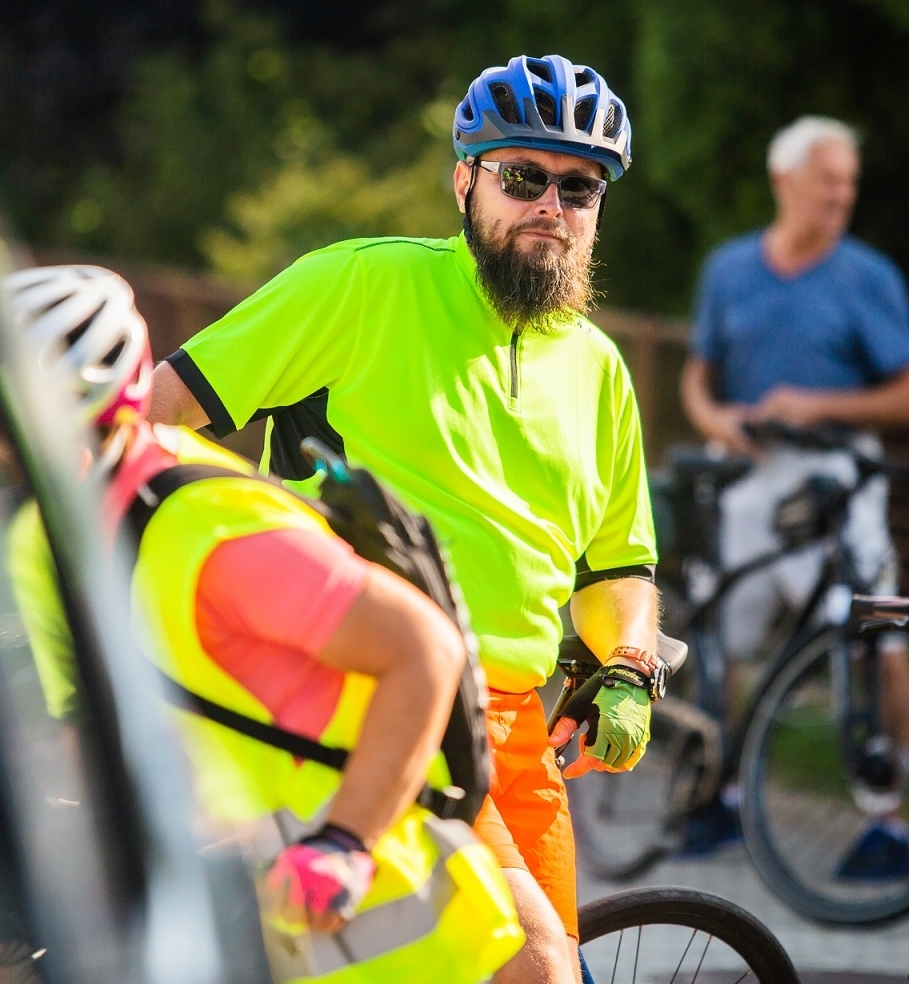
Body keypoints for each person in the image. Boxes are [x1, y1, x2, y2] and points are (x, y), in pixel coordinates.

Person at [145, 54, 661, 984]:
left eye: (579, 188)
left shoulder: (601, 371)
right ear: (465, 180)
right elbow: (157, 415)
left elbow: (616, 569)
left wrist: (628, 664)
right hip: (372, 692)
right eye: (522, 177)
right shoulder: (360, 284)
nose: (551, 204)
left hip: (515, 729)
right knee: (533, 966)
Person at [2, 264, 525, 983]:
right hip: (239, 897)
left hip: (380, 911)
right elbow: (81, 724)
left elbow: (425, 648)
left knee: (544, 955)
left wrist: (345, 840)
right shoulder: (40, 539)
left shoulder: (212, 527)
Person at [677, 115, 909, 876]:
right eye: (829, 180)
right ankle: (718, 793)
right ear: (784, 179)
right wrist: (714, 418)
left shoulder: (869, 276)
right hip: (753, 474)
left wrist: (818, 405)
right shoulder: (729, 269)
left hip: (838, 476)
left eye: (850, 183)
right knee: (721, 628)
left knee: (878, 630)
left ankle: (889, 819)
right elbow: (699, 372)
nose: (842, 195)